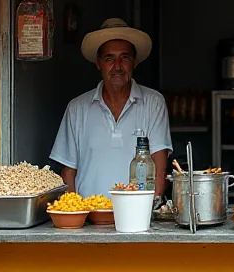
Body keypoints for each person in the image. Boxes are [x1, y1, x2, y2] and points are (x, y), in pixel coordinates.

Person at [50, 18, 172, 199]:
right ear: (99, 63)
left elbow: (159, 171)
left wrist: (146, 215)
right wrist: (76, 218)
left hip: (137, 219)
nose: (117, 66)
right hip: (89, 218)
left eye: (125, 58)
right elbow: (68, 174)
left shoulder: (154, 103)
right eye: (109, 58)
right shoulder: (77, 108)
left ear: (134, 62)